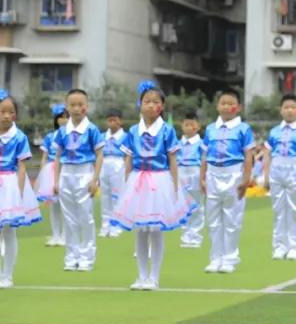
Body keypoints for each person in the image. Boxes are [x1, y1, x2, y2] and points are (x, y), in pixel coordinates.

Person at [108, 81, 194, 291]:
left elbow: (172, 160)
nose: (151, 105)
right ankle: (141, 275)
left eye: (156, 102)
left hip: (160, 181)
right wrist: (127, 186)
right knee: (140, 230)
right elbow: (127, 161)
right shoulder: (133, 132)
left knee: (155, 230)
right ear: (140, 104)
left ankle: (154, 276)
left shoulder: (167, 131)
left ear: (162, 106)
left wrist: (175, 187)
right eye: (147, 101)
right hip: (137, 182)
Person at [200, 89, 255, 274]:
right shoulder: (210, 129)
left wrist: (246, 178)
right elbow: (205, 155)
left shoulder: (243, 129)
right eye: (223, 103)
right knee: (213, 219)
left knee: (232, 218)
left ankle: (230, 258)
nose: (226, 106)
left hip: (233, 174)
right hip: (213, 174)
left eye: (230, 103)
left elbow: (249, 155)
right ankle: (215, 258)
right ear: (217, 106)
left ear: (238, 107)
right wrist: (202, 177)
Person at [52, 89, 104, 272]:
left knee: (86, 217)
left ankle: (87, 258)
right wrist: (56, 181)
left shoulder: (92, 130)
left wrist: (95, 179)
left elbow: (99, 155)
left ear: (86, 107)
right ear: (67, 107)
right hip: (66, 174)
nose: (76, 108)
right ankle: (71, 257)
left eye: (80, 105)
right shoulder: (62, 131)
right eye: (72, 105)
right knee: (69, 218)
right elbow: (57, 157)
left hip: (84, 174)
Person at [0, 90, 43, 288]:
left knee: (9, 232)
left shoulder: (19, 137)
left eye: (11, 112)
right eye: (2, 112)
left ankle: (7, 274)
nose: (7, 116)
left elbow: (22, 167)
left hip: (10, 183)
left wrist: (18, 192)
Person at [265, 94, 296, 261]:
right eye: (286, 107)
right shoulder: (274, 132)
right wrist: (266, 176)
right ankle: (279, 246)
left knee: (294, 210)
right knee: (279, 211)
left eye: (292, 107)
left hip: (295, 170)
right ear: (281, 111)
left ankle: (294, 247)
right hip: (277, 171)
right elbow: (267, 155)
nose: (289, 110)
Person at [37, 105, 68, 247]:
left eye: (66, 116)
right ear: (56, 119)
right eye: (61, 117)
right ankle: (55, 235)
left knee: (65, 205)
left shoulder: (71, 135)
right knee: (53, 206)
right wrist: (43, 171)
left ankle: (65, 236)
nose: (64, 120)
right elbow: (44, 156)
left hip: (65, 169)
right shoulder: (50, 136)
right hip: (51, 170)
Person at [177, 114, 206, 248]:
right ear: (182, 126)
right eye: (186, 124)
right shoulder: (178, 144)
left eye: (192, 124)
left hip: (195, 171)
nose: (189, 127)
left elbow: (204, 161)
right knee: (183, 206)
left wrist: (203, 178)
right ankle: (185, 235)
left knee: (197, 205)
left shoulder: (201, 144)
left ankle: (195, 235)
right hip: (181, 172)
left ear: (198, 126)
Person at [98, 109, 126, 239]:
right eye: (109, 120)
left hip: (118, 163)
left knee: (117, 195)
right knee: (105, 196)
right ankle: (105, 225)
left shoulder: (125, 137)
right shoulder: (102, 136)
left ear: (120, 121)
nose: (112, 123)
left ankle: (117, 225)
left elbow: (128, 154)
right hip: (104, 163)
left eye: (115, 120)